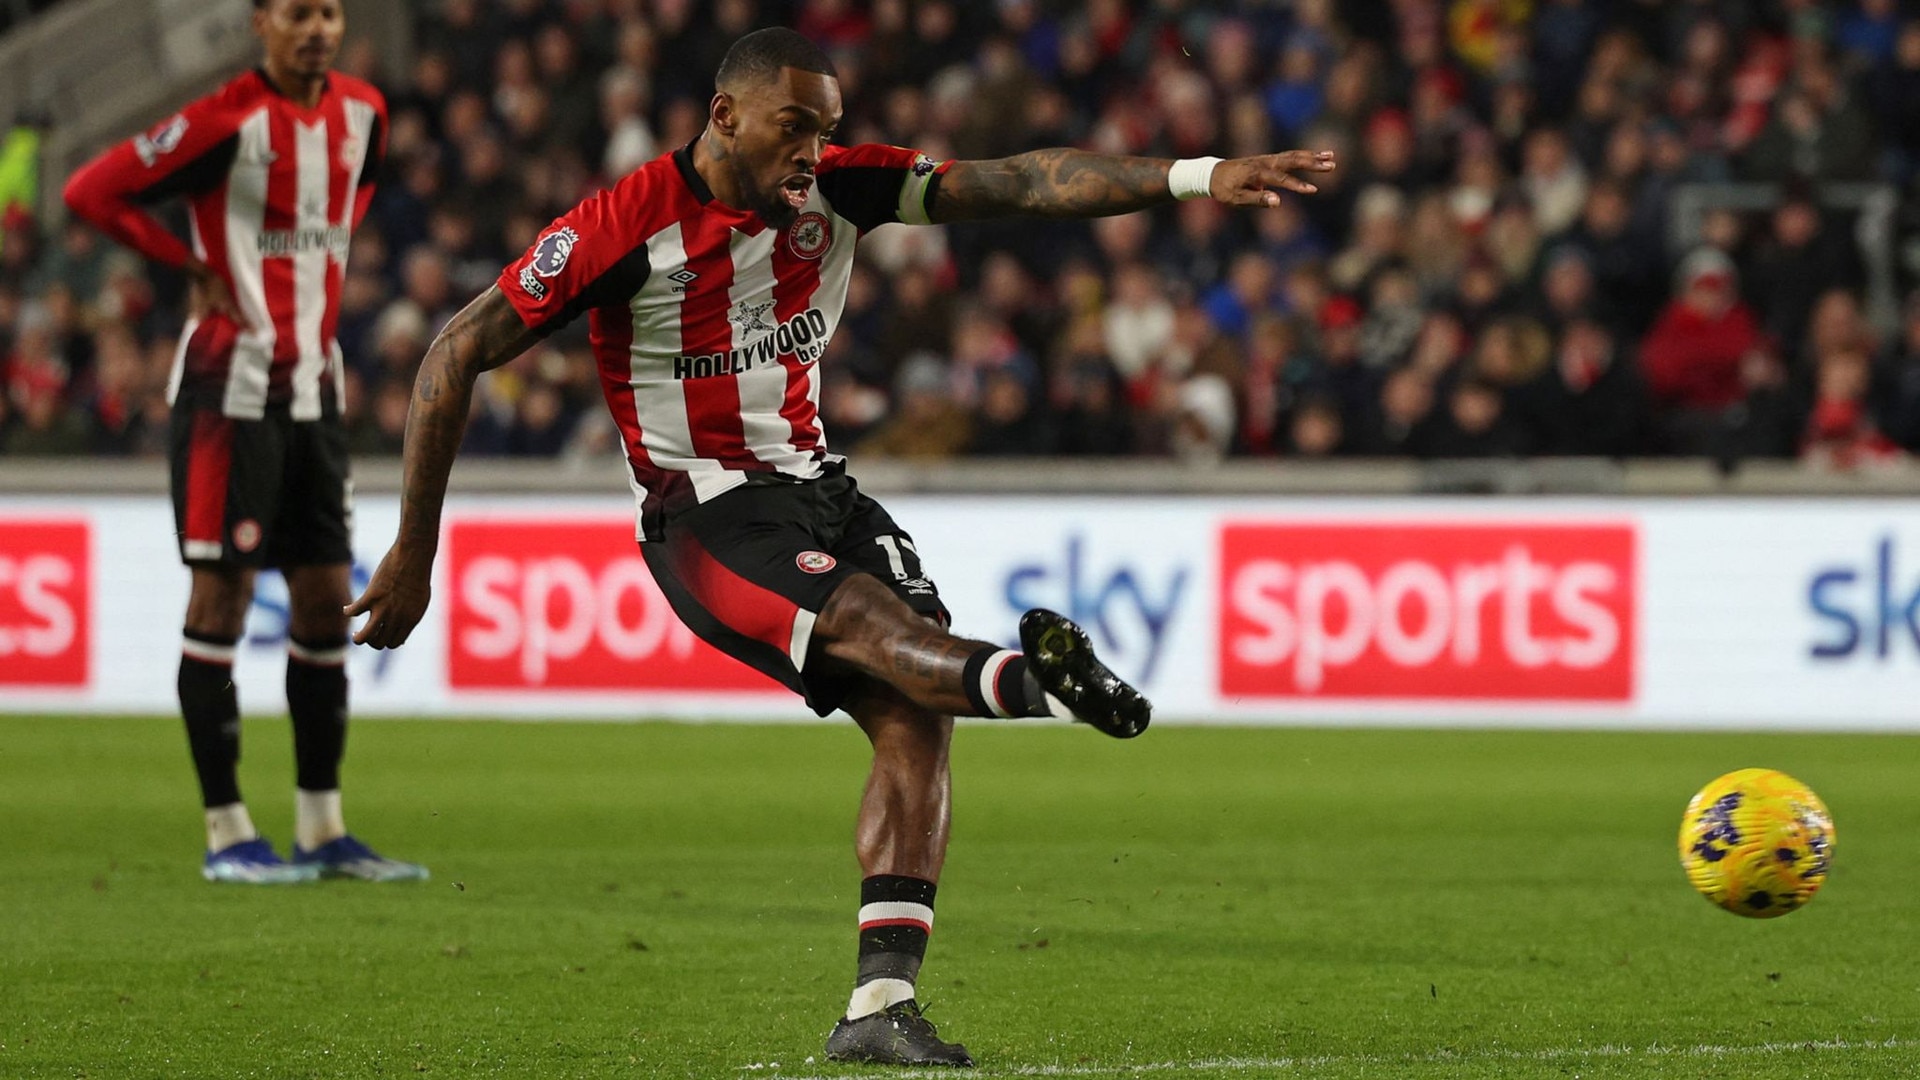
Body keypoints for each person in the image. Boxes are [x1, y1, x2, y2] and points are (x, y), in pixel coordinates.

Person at [347, 28, 1334, 1068]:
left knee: (917, 709)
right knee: (875, 631)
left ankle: (879, 1009)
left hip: (825, 491)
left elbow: (1025, 182)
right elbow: (454, 352)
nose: (813, 152)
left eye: (827, 131)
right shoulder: (623, 226)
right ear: (725, 116)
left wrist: (1197, 173)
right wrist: (415, 550)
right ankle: (1041, 685)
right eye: (794, 127)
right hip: (713, 519)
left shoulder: (840, 193)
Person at [63, 0, 424, 885]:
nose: (318, 30)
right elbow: (89, 190)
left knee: (321, 601)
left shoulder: (364, 114)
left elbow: (352, 194)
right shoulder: (225, 118)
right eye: (298, 14)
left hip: (316, 389)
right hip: (229, 392)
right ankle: (227, 833)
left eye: (330, 13)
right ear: (260, 22)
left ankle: (323, 829)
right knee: (221, 604)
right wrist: (183, 262)